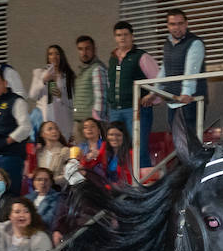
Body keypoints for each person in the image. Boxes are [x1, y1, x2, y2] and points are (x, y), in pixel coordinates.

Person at [106, 22, 160, 169]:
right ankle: (120, 181)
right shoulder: (112, 58)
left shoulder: (142, 57)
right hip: (115, 111)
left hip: (136, 110)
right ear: (115, 37)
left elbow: (159, 81)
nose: (122, 38)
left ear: (132, 36)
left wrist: (151, 96)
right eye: (119, 35)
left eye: (125, 35)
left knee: (139, 149)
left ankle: (144, 186)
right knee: (116, 149)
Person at [0, 68, 37, 195]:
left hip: (11, 156)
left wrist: (7, 141)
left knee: (10, 195)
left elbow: (25, 127)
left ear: (5, 83)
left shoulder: (16, 101)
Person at [158, 9, 206, 130]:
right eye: (173, 24)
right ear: (167, 26)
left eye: (180, 23)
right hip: (173, 101)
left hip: (190, 101)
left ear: (186, 24)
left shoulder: (195, 43)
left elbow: (192, 70)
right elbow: (165, 68)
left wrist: (186, 92)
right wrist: (154, 91)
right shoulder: (167, 44)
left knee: (189, 142)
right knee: (178, 141)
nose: (177, 27)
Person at [28, 45, 75, 137]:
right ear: (48, 57)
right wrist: (44, 80)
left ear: (61, 56)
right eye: (50, 54)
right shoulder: (40, 73)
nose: (54, 57)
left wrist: (61, 96)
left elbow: (72, 103)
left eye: (57, 54)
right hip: (46, 119)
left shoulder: (68, 76)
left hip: (63, 119)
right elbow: (32, 95)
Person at [73, 35, 108, 136]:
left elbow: (101, 96)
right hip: (81, 123)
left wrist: (97, 123)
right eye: (80, 49)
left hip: (93, 125)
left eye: (87, 48)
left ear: (94, 50)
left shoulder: (97, 68)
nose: (84, 53)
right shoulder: (81, 71)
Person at [83, 122, 134, 187]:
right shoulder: (104, 148)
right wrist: (88, 158)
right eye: (111, 134)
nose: (114, 138)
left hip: (123, 190)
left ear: (124, 137)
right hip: (108, 189)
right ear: (107, 136)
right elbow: (90, 164)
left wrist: (108, 187)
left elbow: (128, 180)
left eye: (118, 135)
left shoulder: (130, 154)